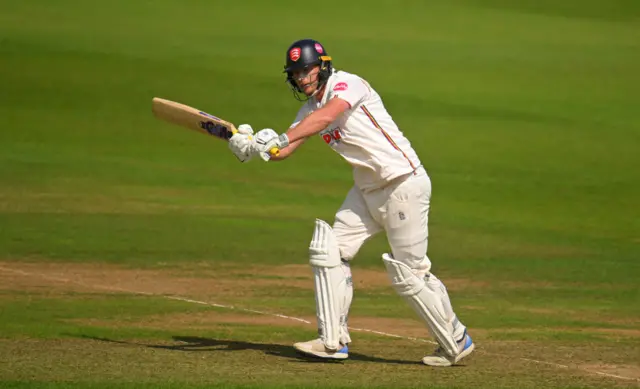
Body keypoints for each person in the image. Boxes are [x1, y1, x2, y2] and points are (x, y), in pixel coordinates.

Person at [228, 38, 474, 366]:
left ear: (323, 66)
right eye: (296, 73)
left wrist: (283, 137)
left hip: (402, 183)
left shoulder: (348, 84)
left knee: (409, 274)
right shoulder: (308, 110)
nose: (302, 78)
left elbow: (326, 116)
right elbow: (283, 151)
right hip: (366, 189)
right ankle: (332, 341)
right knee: (328, 250)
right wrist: (254, 146)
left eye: (307, 70)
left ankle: (456, 337)